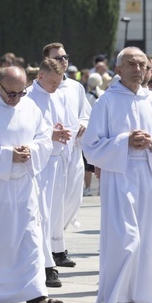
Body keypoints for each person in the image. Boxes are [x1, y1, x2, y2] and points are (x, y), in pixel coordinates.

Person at [83, 46, 152, 303]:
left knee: (146, 241)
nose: (137, 69)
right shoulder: (107, 101)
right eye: (131, 63)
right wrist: (124, 141)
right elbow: (91, 146)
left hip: (146, 175)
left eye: (142, 64)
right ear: (118, 69)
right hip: (119, 177)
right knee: (125, 240)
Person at [0, 66, 64, 303]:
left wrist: (30, 150)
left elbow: (44, 138)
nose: (16, 98)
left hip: (22, 186)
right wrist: (9, 155)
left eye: (21, 93)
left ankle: (36, 297)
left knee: (29, 240)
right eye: (11, 94)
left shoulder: (29, 107)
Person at [43, 43, 91, 265]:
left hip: (74, 149)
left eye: (65, 57)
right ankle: (56, 248)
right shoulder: (42, 90)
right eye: (57, 58)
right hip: (53, 154)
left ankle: (56, 240)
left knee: (73, 198)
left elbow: (86, 114)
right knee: (54, 201)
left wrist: (83, 123)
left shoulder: (75, 87)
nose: (63, 61)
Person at [27, 58, 72, 288]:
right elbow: (26, 131)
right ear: (41, 76)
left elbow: (63, 122)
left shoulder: (59, 95)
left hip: (57, 161)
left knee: (54, 214)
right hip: (39, 164)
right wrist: (50, 135)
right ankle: (46, 265)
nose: (56, 86)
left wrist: (63, 132)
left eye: (59, 81)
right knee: (41, 215)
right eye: (53, 81)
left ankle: (49, 256)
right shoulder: (28, 97)